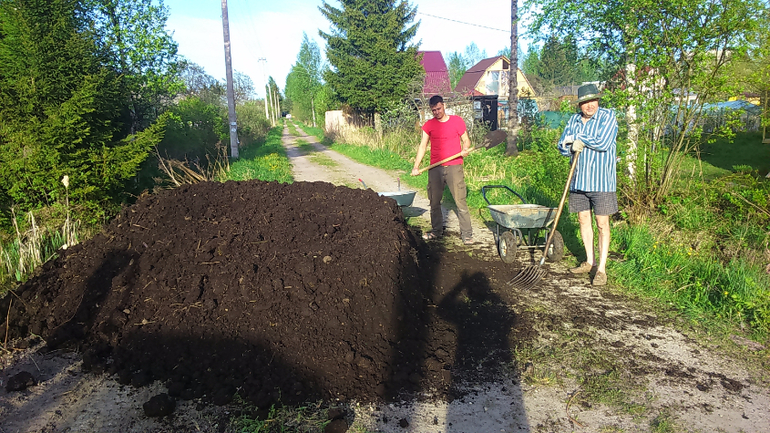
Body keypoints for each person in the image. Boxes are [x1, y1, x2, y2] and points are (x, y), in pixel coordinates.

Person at [557, 84, 619, 286]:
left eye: (593, 101)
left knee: (602, 224)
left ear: (598, 101)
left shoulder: (608, 117)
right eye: (585, 102)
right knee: (583, 220)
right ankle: (589, 261)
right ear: (580, 105)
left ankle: (601, 269)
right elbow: (561, 145)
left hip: (601, 181)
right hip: (578, 180)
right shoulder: (573, 120)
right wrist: (570, 146)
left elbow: (603, 142)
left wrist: (578, 140)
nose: (589, 105)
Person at [411, 95, 473, 245]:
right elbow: (422, 146)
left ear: (443, 105)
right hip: (435, 168)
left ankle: (467, 234)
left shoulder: (457, 121)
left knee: (460, 202)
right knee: (434, 202)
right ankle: (436, 231)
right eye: (433, 110)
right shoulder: (429, 125)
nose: (437, 112)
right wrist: (416, 166)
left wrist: (465, 148)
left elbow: (466, 140)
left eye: (438, 109)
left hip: (454, 166)